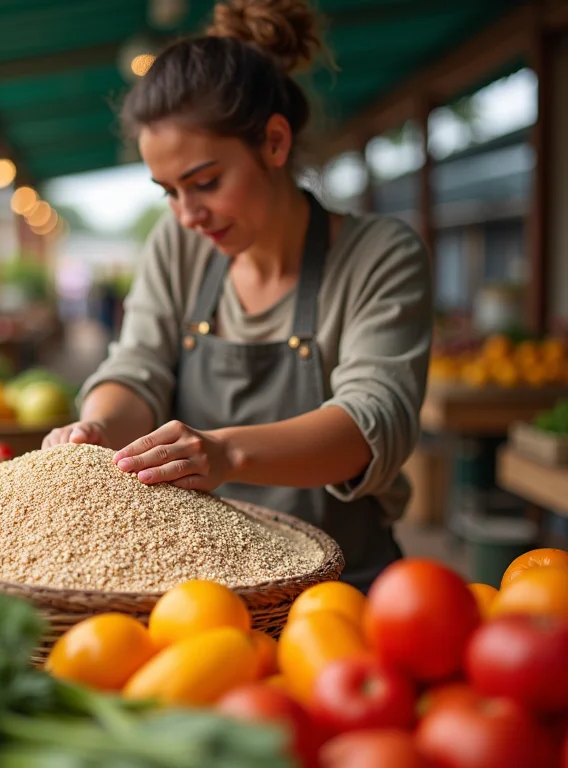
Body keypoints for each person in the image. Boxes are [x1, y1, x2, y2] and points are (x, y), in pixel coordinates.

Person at [43, 0, 433, 592]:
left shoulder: (380, 255)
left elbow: (373, 421)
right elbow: (138, 366)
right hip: (199, 589)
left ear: (274, 142)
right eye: (168, 191)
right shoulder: (180, 244)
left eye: (205, 183)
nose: (187, 214)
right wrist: (99, 427)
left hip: (341, 591)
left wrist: (225, 453)